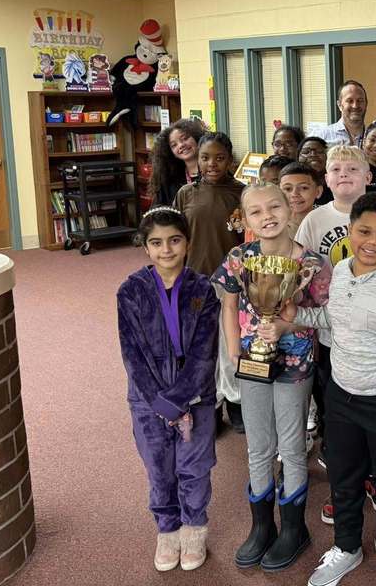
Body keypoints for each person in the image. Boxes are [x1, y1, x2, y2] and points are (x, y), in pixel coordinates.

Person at [277, 193, 376, 586]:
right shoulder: (344, 271)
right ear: (350, 231)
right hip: (341, 397)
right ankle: (347, 548)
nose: (372, 241)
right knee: (344, 481)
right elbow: (334, 319)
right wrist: (295, 316)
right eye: (364, 231)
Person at [212, 183, 330, 572]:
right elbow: (229, 305)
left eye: (274, 207)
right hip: (252, 362)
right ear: (245, 220)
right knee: (258, 445)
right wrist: (233, 350)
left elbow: (326, 316)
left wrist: (287, 324)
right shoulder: (238, 258)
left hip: (295, 364)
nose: (267, 217)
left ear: (290, 209)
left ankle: (294, 530)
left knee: (292, 446)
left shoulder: (312, 264)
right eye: (256, 212)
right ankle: (261, 526)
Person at [117, 207, 220, 572]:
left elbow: (205, 352)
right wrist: (159, 402)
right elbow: (131, 354)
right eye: (156, 243)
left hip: (195, 399)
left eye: (174, 240)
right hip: (147, 403)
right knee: (159, 469)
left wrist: (179, 399)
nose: (166, 250)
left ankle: (194, 527)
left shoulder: (203, 290)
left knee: (194, 467)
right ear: (145, 247)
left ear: (187, 243)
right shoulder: (130, 291)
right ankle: (167, 529)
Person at [294, 144, 373, 520]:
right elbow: (302, 271)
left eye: (352, 169)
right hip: (329, 331)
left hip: (371, 333)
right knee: (332, 405)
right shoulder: (313, 220)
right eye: (336, 169)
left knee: (372, 406)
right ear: (325, 180)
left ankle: (372, 472)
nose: (344, 174)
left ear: (368, 178)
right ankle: (344, 474)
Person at [174, 132, 248, 433]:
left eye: (219, 157)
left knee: (233, 347)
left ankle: (237, 402)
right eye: (205, 157)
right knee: (201, 349)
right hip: (196, 283)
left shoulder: (242, 193)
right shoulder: (186, 194)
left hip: (232, 285)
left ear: (229, 160)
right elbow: (176, 237)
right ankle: (210, 407)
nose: (212, 163)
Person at [149, 118, 206, 207]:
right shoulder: (169, 180)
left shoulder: (214, 171)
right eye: (174, 145)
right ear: (170, 152)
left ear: (196, 138)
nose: (181, 145)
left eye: (185, 138)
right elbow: (157, 212)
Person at [312, 80, 368, 148]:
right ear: (339, 105)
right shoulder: (322, 137)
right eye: (350, 101)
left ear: (366, 104)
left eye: (360, 100)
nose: (355, 106)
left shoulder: (373, 138)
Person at [279, 161, 324, 240]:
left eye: (304, 188)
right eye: (288, 189)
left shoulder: (328, 219)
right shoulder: (272, 224)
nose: (294, 194)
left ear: (318, 191)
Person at [300, 135, 334, 206]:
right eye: (306, 152)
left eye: (319, 151)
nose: (313, 155)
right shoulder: (292, 186)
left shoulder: (337, 185)